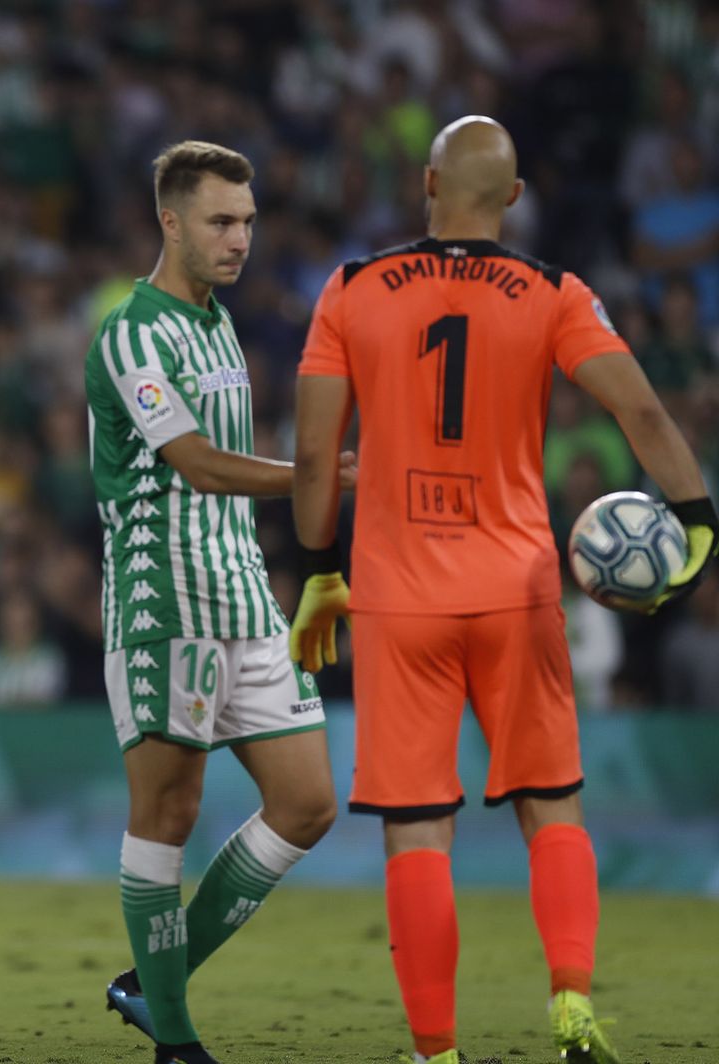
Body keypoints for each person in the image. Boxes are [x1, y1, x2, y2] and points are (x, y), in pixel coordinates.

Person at [290, 115, 718, 1064]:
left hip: (399, 596)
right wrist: (698, 519)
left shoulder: (352, 290)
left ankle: (437, 1052)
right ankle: (570, 1004)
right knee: (551, 807)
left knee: (417, 831)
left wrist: (320, 568)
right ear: (514, 199)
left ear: (428, 184)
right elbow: (642, 407)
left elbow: (318, 450)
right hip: (518, 587)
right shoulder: (553, 293)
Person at [83, 140, 348, 1064]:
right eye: (220, 222)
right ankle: (178, 1042)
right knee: (169, 813)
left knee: (310, 802)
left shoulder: (219, 324)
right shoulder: (133, 332)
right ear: (170, 221)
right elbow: (194, 462)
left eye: (246, 221)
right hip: (165, 601)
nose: (239, 239)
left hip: (242, 595)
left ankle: (149, 983)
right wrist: (324, 473)